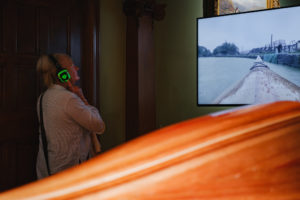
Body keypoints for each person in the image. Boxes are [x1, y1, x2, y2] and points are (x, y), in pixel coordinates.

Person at [36, 53, 105, 179]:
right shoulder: (69, 99)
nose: (77, 68)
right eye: (73, 65)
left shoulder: (43, 97)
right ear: (63, 74)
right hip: (67, 171)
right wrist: (82, 98)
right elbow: (98, 125)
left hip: (47, 169)